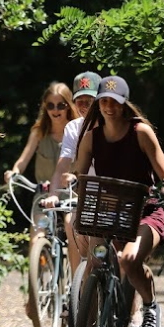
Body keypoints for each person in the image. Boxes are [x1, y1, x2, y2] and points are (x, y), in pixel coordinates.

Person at [47, 75, 164, 327]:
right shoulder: (91, 137)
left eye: (114, 102)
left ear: (124, 104)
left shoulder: (140, 132)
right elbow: (80, 175)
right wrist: (72, 188)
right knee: (95, 262)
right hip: (107, 211)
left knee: (129, 259)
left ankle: (150, 309)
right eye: (103, 101)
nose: (108, 106)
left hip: (144, 212)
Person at [3, 81, 76, 234]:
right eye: (50, 105)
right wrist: (14, 172)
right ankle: (39, 254)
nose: (55, 110)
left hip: (71, 193)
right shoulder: (39, 132)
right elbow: (23, 160)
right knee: (37, 232)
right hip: (43, 193)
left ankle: (73, 258)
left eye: (61, 105)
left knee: (72, 229)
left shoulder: (76, 131)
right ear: (45, 106)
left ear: (69, 105)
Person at [46, 71, 100, 276]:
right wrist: (53, 193)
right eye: (80, 101)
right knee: (70, 223)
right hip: (85, 193)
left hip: (111, 191)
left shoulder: (111, 125)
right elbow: (63, 165)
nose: (85, 106)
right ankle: (77, 290)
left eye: (90, 100)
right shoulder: (73, 128)